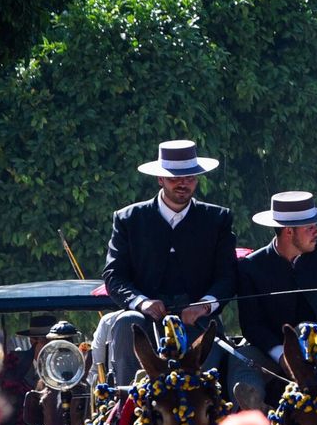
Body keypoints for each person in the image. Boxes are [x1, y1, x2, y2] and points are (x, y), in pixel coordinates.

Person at [101, 139, 237, 386]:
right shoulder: (129, 219)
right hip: (146, 318)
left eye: (190, 177)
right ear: (160, 180)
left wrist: (204, 306)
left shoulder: (217, 219)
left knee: (212, 363)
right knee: (124, 323)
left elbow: (227, 277)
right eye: (175, 178)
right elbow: (114, 276)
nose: (183, 183)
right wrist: (141, 302)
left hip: (197, 320)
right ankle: (126, 404)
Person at [234, 191, 317, 409]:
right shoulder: (251, 266)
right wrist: (280, 355)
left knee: (311, 333)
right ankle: (255, 411)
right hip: (276, 348)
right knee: (241, 357)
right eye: (309, 227)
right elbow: (252, 325)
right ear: (288, 232)